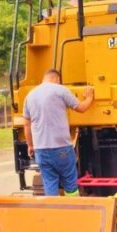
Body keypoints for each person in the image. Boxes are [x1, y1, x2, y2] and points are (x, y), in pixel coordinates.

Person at [22, 69, 94, 197]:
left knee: (50, 185)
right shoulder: (60, 90)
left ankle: (55, 214)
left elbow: (26, 124)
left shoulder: (30, 95)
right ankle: (74, 212)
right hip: (61, 148)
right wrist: (89, 97)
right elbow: (81, 108)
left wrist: (30, 145)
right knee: (70, 185)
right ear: (57, 79)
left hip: (41, 150)